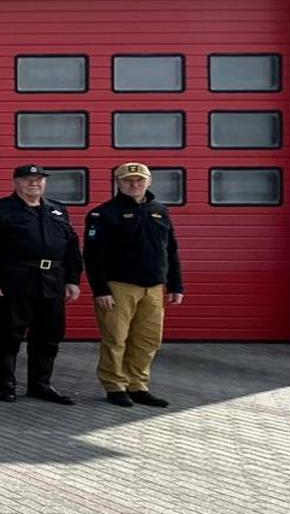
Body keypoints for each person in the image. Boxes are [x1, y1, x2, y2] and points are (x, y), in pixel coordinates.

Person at [0, 164, 84, 405]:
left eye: (39, 179)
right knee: (10, 334)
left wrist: (72, 280)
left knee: (49, 334)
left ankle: (41, 384)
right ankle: (6, 383)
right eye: (27, 179)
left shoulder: (57, 210)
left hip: (52, 281)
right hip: (16, 281)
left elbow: (71, 248)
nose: (34, 183)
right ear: (16, 182)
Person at [85, 163, 184, 409]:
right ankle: (114, 385)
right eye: (128, 180)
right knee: (116, 339)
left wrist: (176, 285)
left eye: (139, 180)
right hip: (119, 286)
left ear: (149, 182)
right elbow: (92, 256)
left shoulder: (160, 211)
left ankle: (137, 385)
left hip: (154, 287)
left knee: (148, 339)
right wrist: (101, 290)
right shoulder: (103, 214)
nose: (134, 184)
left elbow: (171, 250)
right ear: (118, 183)